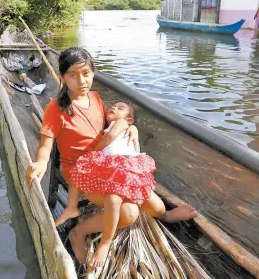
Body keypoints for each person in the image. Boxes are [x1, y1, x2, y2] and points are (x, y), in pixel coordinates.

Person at [25, 47, 197, 269]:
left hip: (107, 164)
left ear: (93, 73)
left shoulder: (96, 99)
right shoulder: (56, 109)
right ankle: (80, 232)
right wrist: (40, 163)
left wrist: (131, 128)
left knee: (155, 205)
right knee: (129, 212)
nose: (81, 81)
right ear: (62, 78)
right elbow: (46, 145)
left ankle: (165, 217)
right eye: (73, 75)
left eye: (86, 73)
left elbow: (110, 128)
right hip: (81, 171)